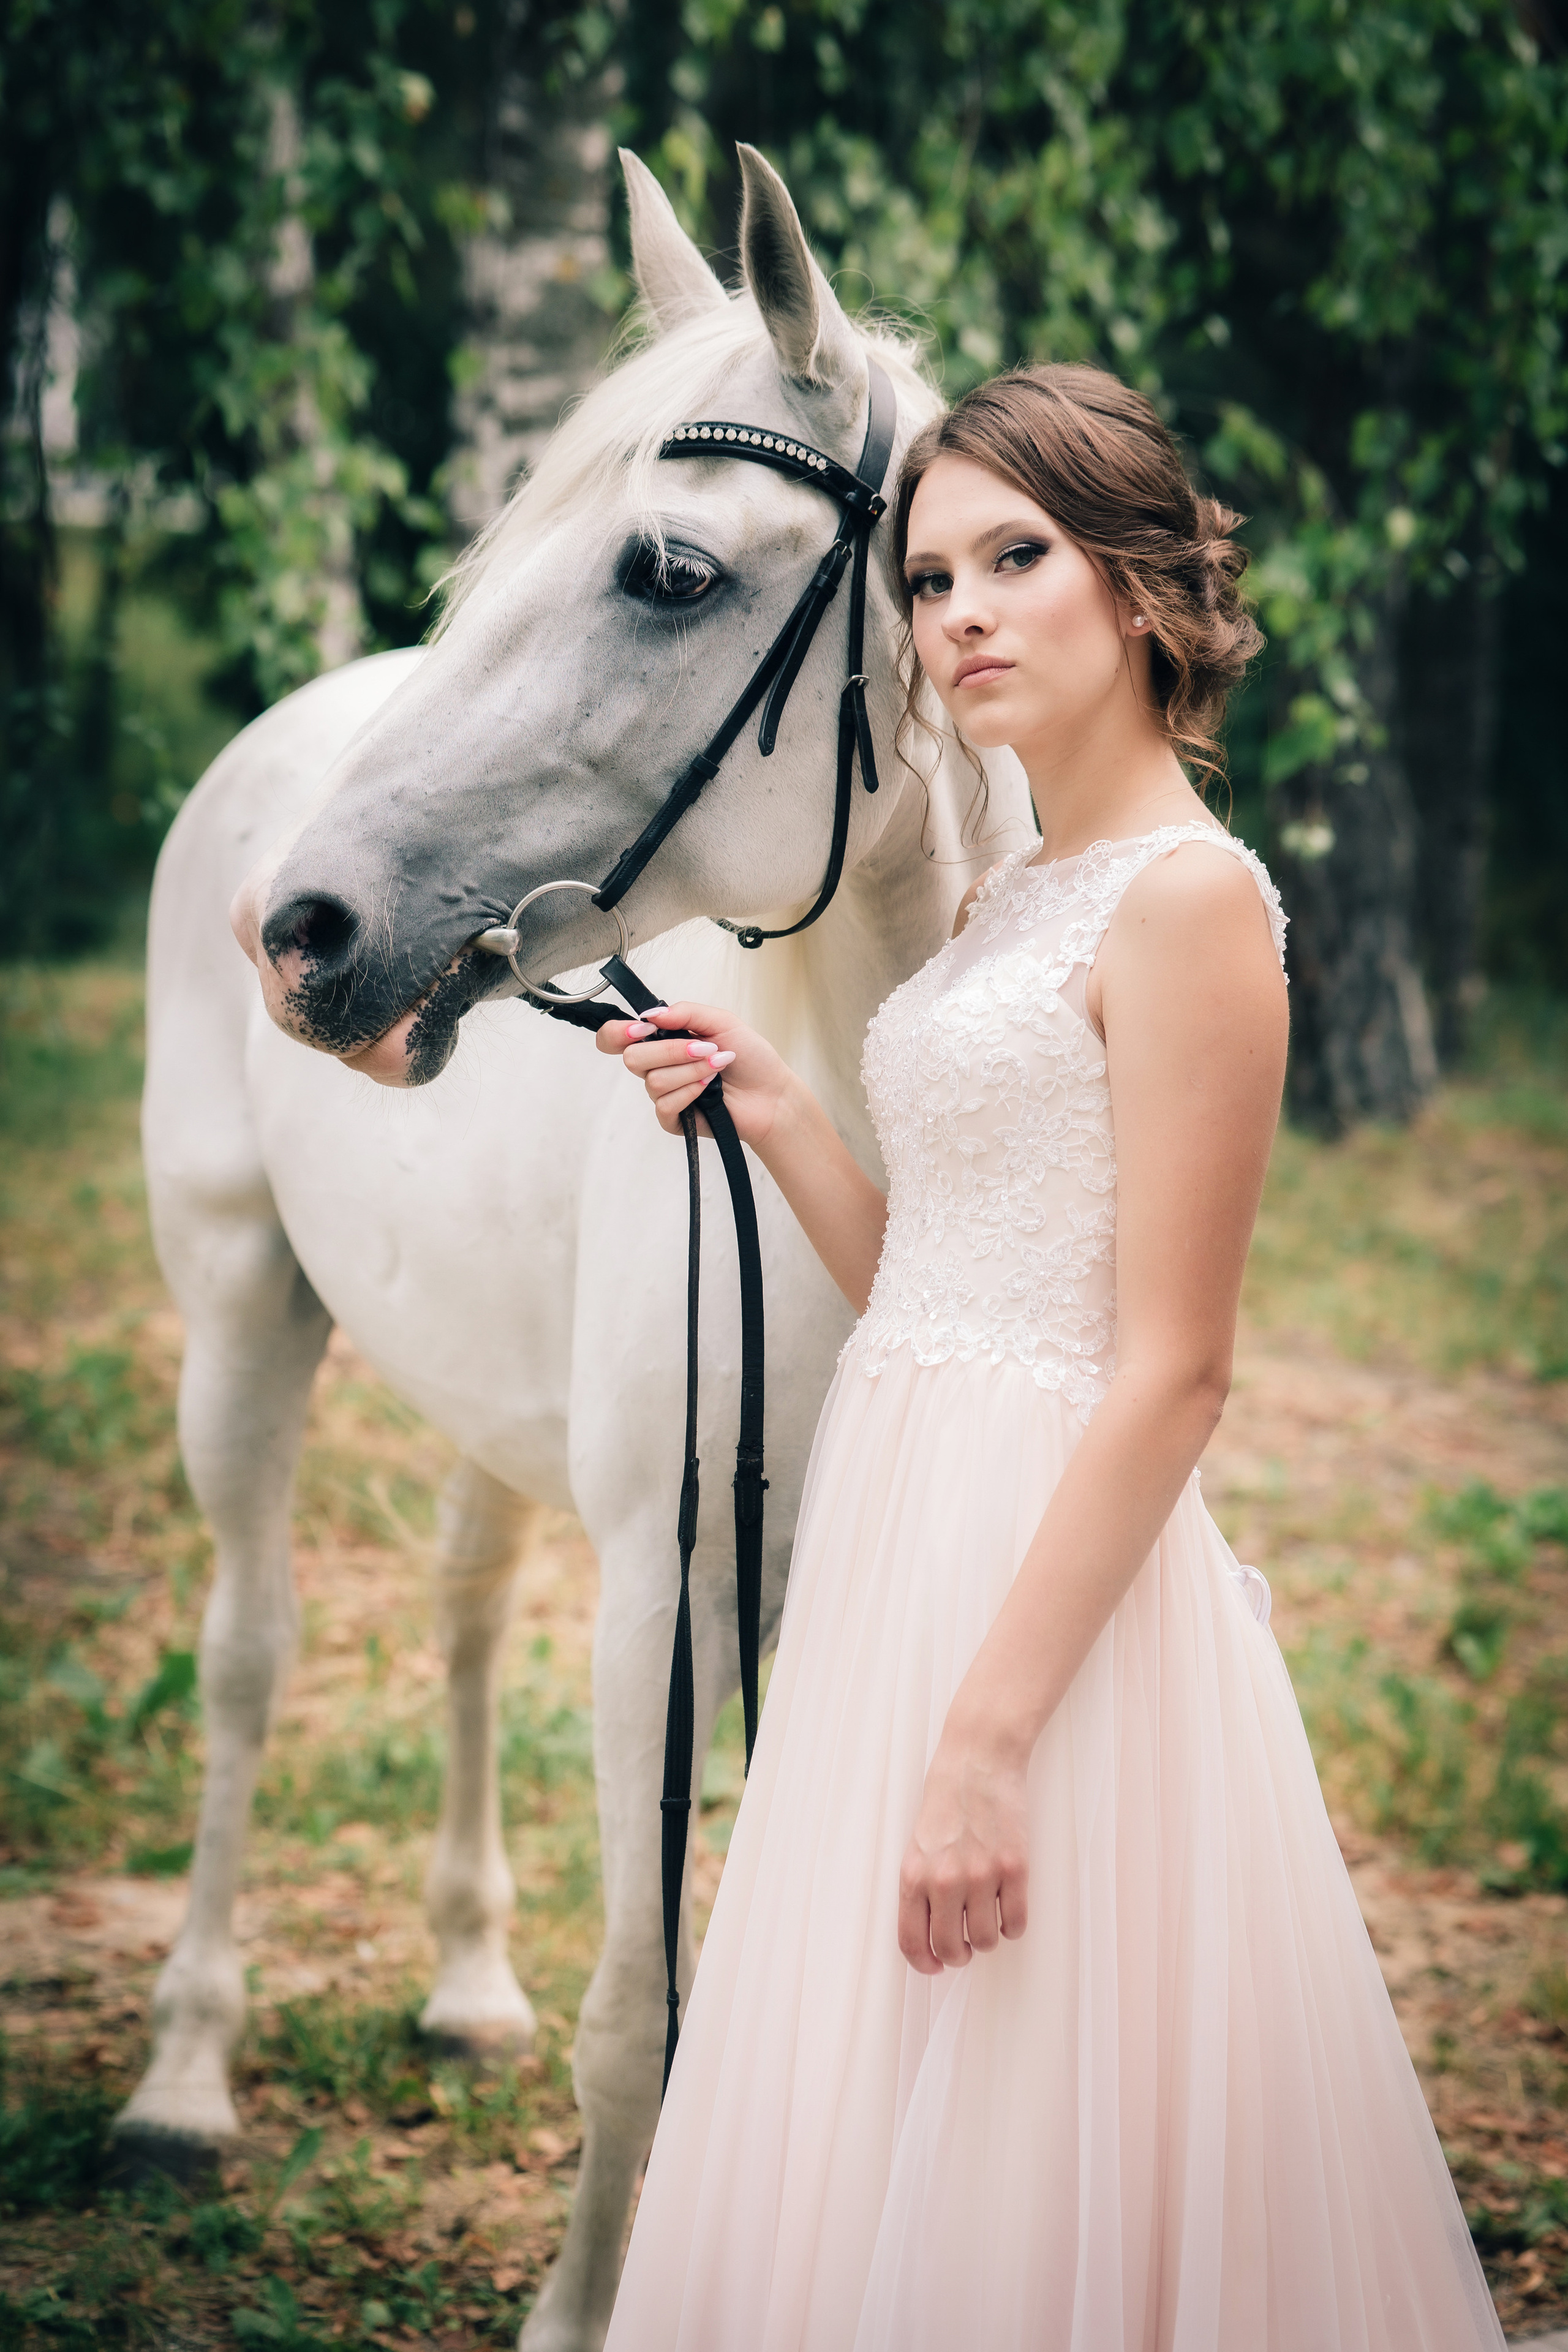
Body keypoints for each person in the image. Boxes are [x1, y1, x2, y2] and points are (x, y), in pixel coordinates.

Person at [596, 365, 1504, 2350]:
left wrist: (992, 1739)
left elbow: (1172, 1367)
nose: (964, 614)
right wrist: (777, 1107)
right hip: (900, 1531)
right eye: (930, 580)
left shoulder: (1195, 906)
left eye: (1020, 557)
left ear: (1144, 585)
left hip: (1050, 1584)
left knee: (1035, 2082)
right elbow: (955, 1276)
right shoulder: (1015, 897)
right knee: (875, 2072)